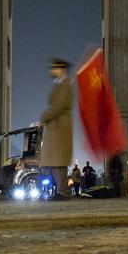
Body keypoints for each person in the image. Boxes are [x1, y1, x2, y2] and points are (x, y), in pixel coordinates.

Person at [39, 58, 74, 199]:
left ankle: (63, 191)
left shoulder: (65, 85)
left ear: (61, 69)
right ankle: (61, 190)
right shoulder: (61, 84)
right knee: (55, 162)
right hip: (56, 126)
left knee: (58, 162)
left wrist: (44, 117)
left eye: (54, 68)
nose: (51, 71)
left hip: (59, 127)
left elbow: (58, 106)